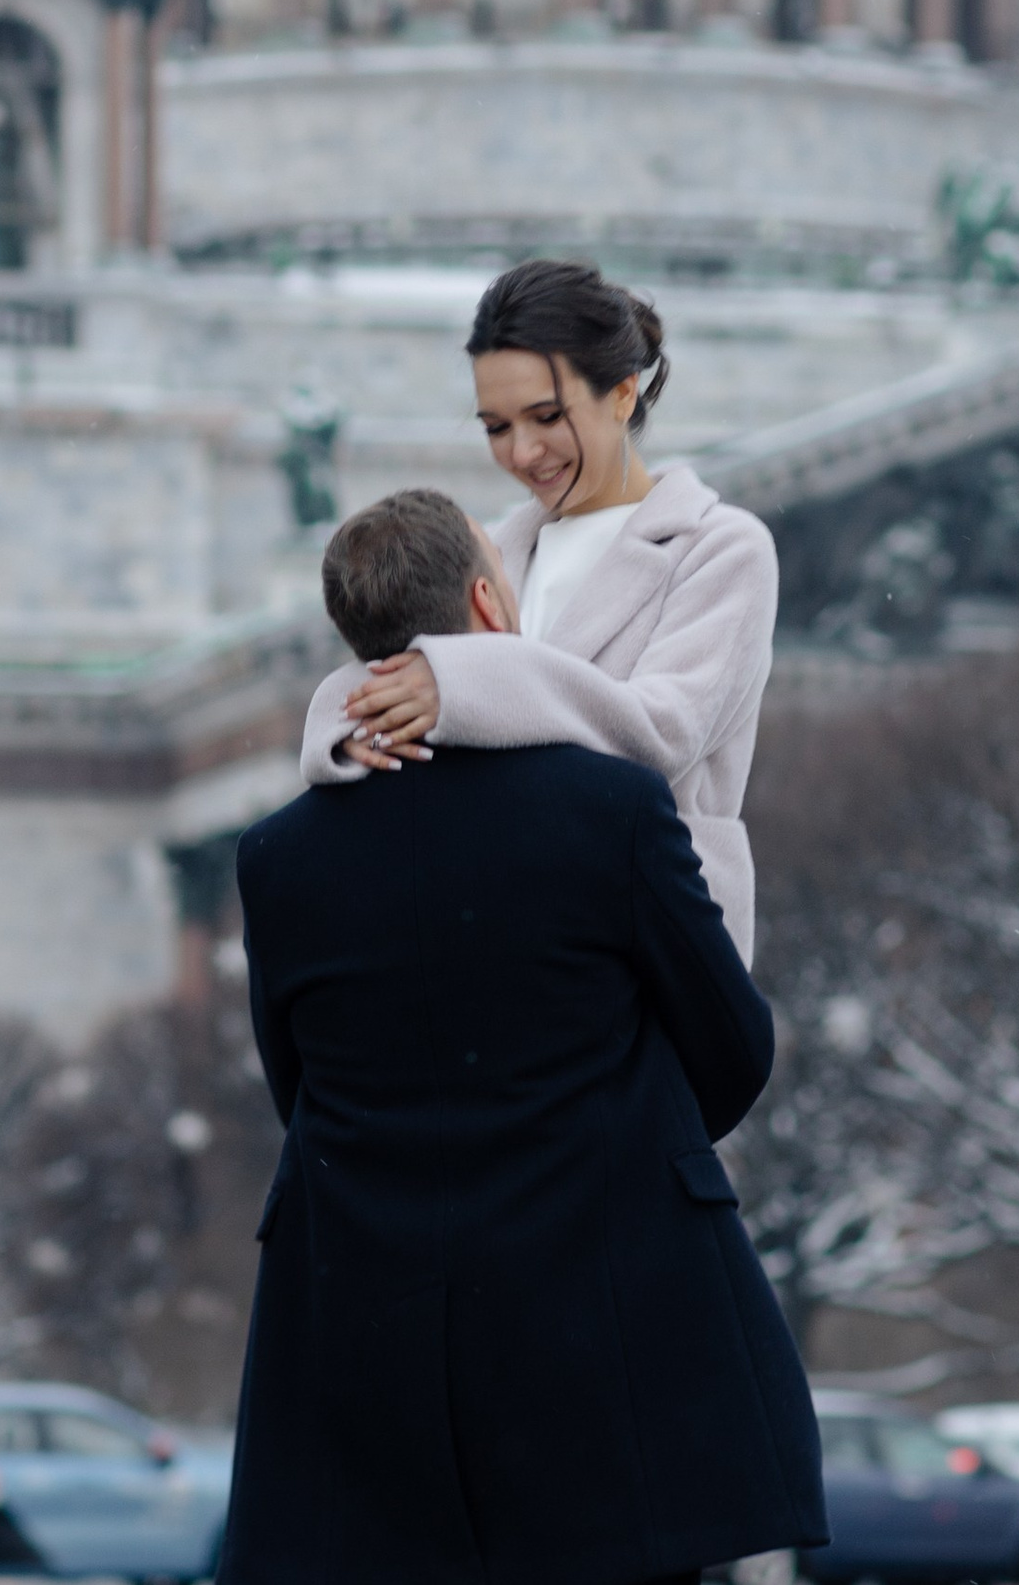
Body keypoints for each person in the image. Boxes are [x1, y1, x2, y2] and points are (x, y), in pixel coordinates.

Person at [219, 489, 829, 1585]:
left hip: (375, 1337)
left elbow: (296, 1090)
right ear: (490, 602)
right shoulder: (612, 809)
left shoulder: (280, 857)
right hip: (604, 1329)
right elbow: (730, 1043)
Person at [302, 259, 780, 963]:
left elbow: (657, 736)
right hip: (508, 944)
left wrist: (462, 687)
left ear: (622, 394)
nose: (522, 452)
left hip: (654, 952)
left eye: (547, 417)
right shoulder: (493, 551)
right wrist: (344, 734)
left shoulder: (721, 549)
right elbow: (381, 678)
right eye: (496, 426)